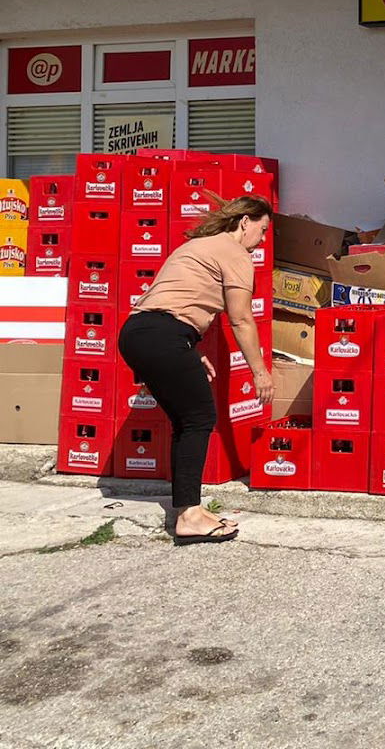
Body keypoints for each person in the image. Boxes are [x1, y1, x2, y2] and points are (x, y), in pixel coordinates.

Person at [117, 194, 274, 545]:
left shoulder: (197, 246)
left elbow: (173, 302)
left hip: (138, 333)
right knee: (199, 419)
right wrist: (260, 372)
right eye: (262, 230)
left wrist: (189, 349)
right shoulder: (235, 253)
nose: (262, 240)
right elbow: (241, 319)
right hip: (164, 336)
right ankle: (189, 516)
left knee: (186, 421)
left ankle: (190, 510)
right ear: (244, 222)